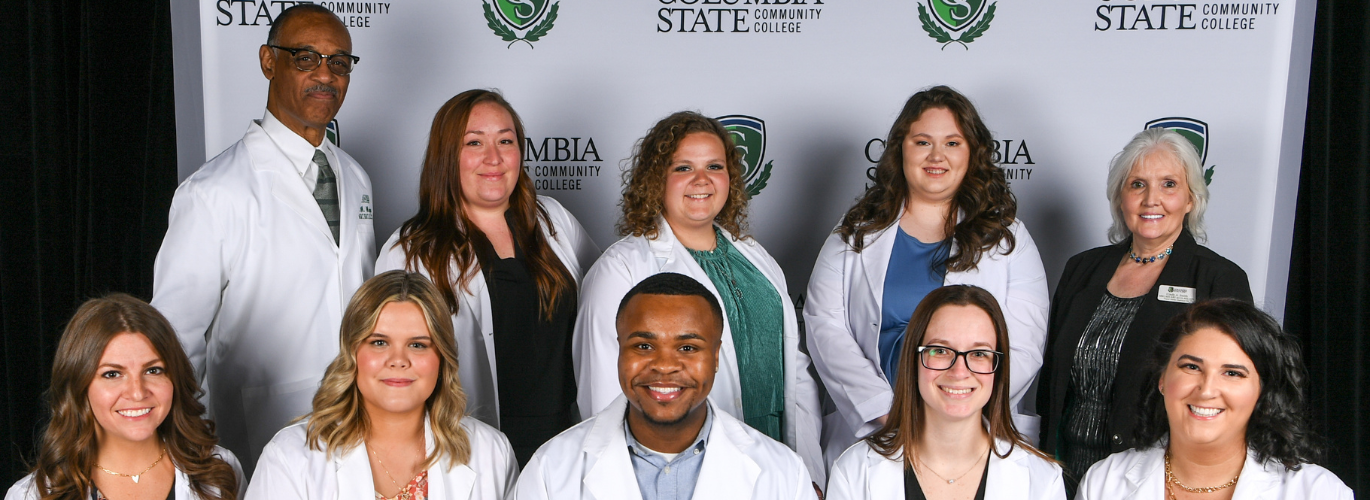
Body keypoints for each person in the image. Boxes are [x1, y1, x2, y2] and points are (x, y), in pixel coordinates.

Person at [151, 3, 375, 472]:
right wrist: (189, 455)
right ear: (268, 61)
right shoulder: (211, 192)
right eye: (305, 58)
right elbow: (174, 342)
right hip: (256, 429)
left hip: (359, 420)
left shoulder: (355, 177)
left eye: (339, 62)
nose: (326, 75)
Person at [572, 111, 823, 484]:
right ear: (657, 179)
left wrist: (807, 471)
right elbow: (604, 399)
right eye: (683, 168)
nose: (701, 180)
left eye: (714, 166)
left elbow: (793, 370)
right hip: (679, 473)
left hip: (776, 468)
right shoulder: (621, 270)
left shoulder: (755, 257)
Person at [805, 86, 1050, 467]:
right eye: (923, 142)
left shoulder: (1008, 238)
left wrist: (956, 415)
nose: (937, 156)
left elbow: (1024, 345)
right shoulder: (856, 230)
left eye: (952, 142)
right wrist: (883, 412)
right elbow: (826, 327)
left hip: (972, 433)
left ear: (972, 153)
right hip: (876, 430)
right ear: (901, 150)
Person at [376, 89, 599, 465]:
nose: (493, 158)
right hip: (470, 447)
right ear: (446, 157)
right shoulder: (409, 251)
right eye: (474, 142)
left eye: (506, 141)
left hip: (566, 443)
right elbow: (388, 364)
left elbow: (605, 306)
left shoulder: (555, 221)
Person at [1037, 129, 1253, 485]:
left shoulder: (1217, 279)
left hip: (1149, 478)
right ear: (1120, 197)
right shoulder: (1082, 269)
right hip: (1064, 471)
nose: (1152, 199)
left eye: (1168, 184)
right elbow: (1052, 383)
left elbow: (1234, 393)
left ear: (1190, 199)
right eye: (1137, 184)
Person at [519, 273, 814, 500]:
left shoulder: (784, 473)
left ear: (715, 357)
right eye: (644, 345)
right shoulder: (552, 468)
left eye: (687, 347)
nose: (664, 365)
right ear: (619, 350)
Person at [247, 271, 518, 500]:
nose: (398, 360)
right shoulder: (289, 457)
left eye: (417, 345)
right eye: (379, 342)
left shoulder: (492, 452)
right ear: (352, 353)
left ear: (442, 358)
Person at [1077, 299, 1352, 499]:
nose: (1207, 390)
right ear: (1162, 378)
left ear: (1263, 391)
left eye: (1232, 373)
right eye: (1191, 367)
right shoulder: (1104, 483)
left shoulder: (1318, 492)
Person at [827, 285, 1064, 500]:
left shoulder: (1041, 481)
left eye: (979, 354)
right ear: (913, 361)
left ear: (998, 369)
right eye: (940, 351)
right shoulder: (853, 472)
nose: (959, 371)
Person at [7, 294, 244, 500]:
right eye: (112, 374)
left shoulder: (221, 472)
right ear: (79, 386)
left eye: (153, 370)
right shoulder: (34, 495)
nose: (138, 392)